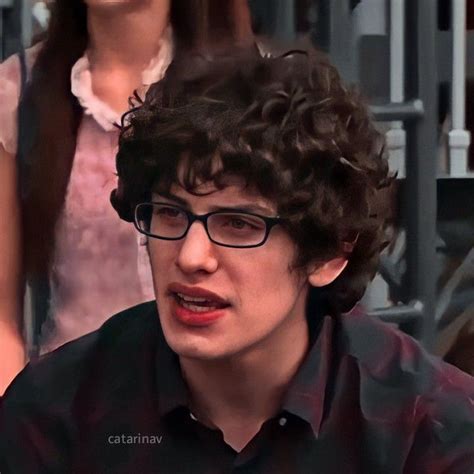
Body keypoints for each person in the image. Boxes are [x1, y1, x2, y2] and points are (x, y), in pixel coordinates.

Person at [1, 49, 474, 474]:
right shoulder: (57, 411)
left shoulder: (425, 428)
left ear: (331, 253)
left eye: (240, 225)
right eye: (170, 214)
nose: (191, 257)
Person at [0, 0, 253, 394]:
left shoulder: (249, 87)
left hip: (216, 410)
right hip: (73, 412)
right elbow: (2, 317)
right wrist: (19, 430)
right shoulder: (19, 90)